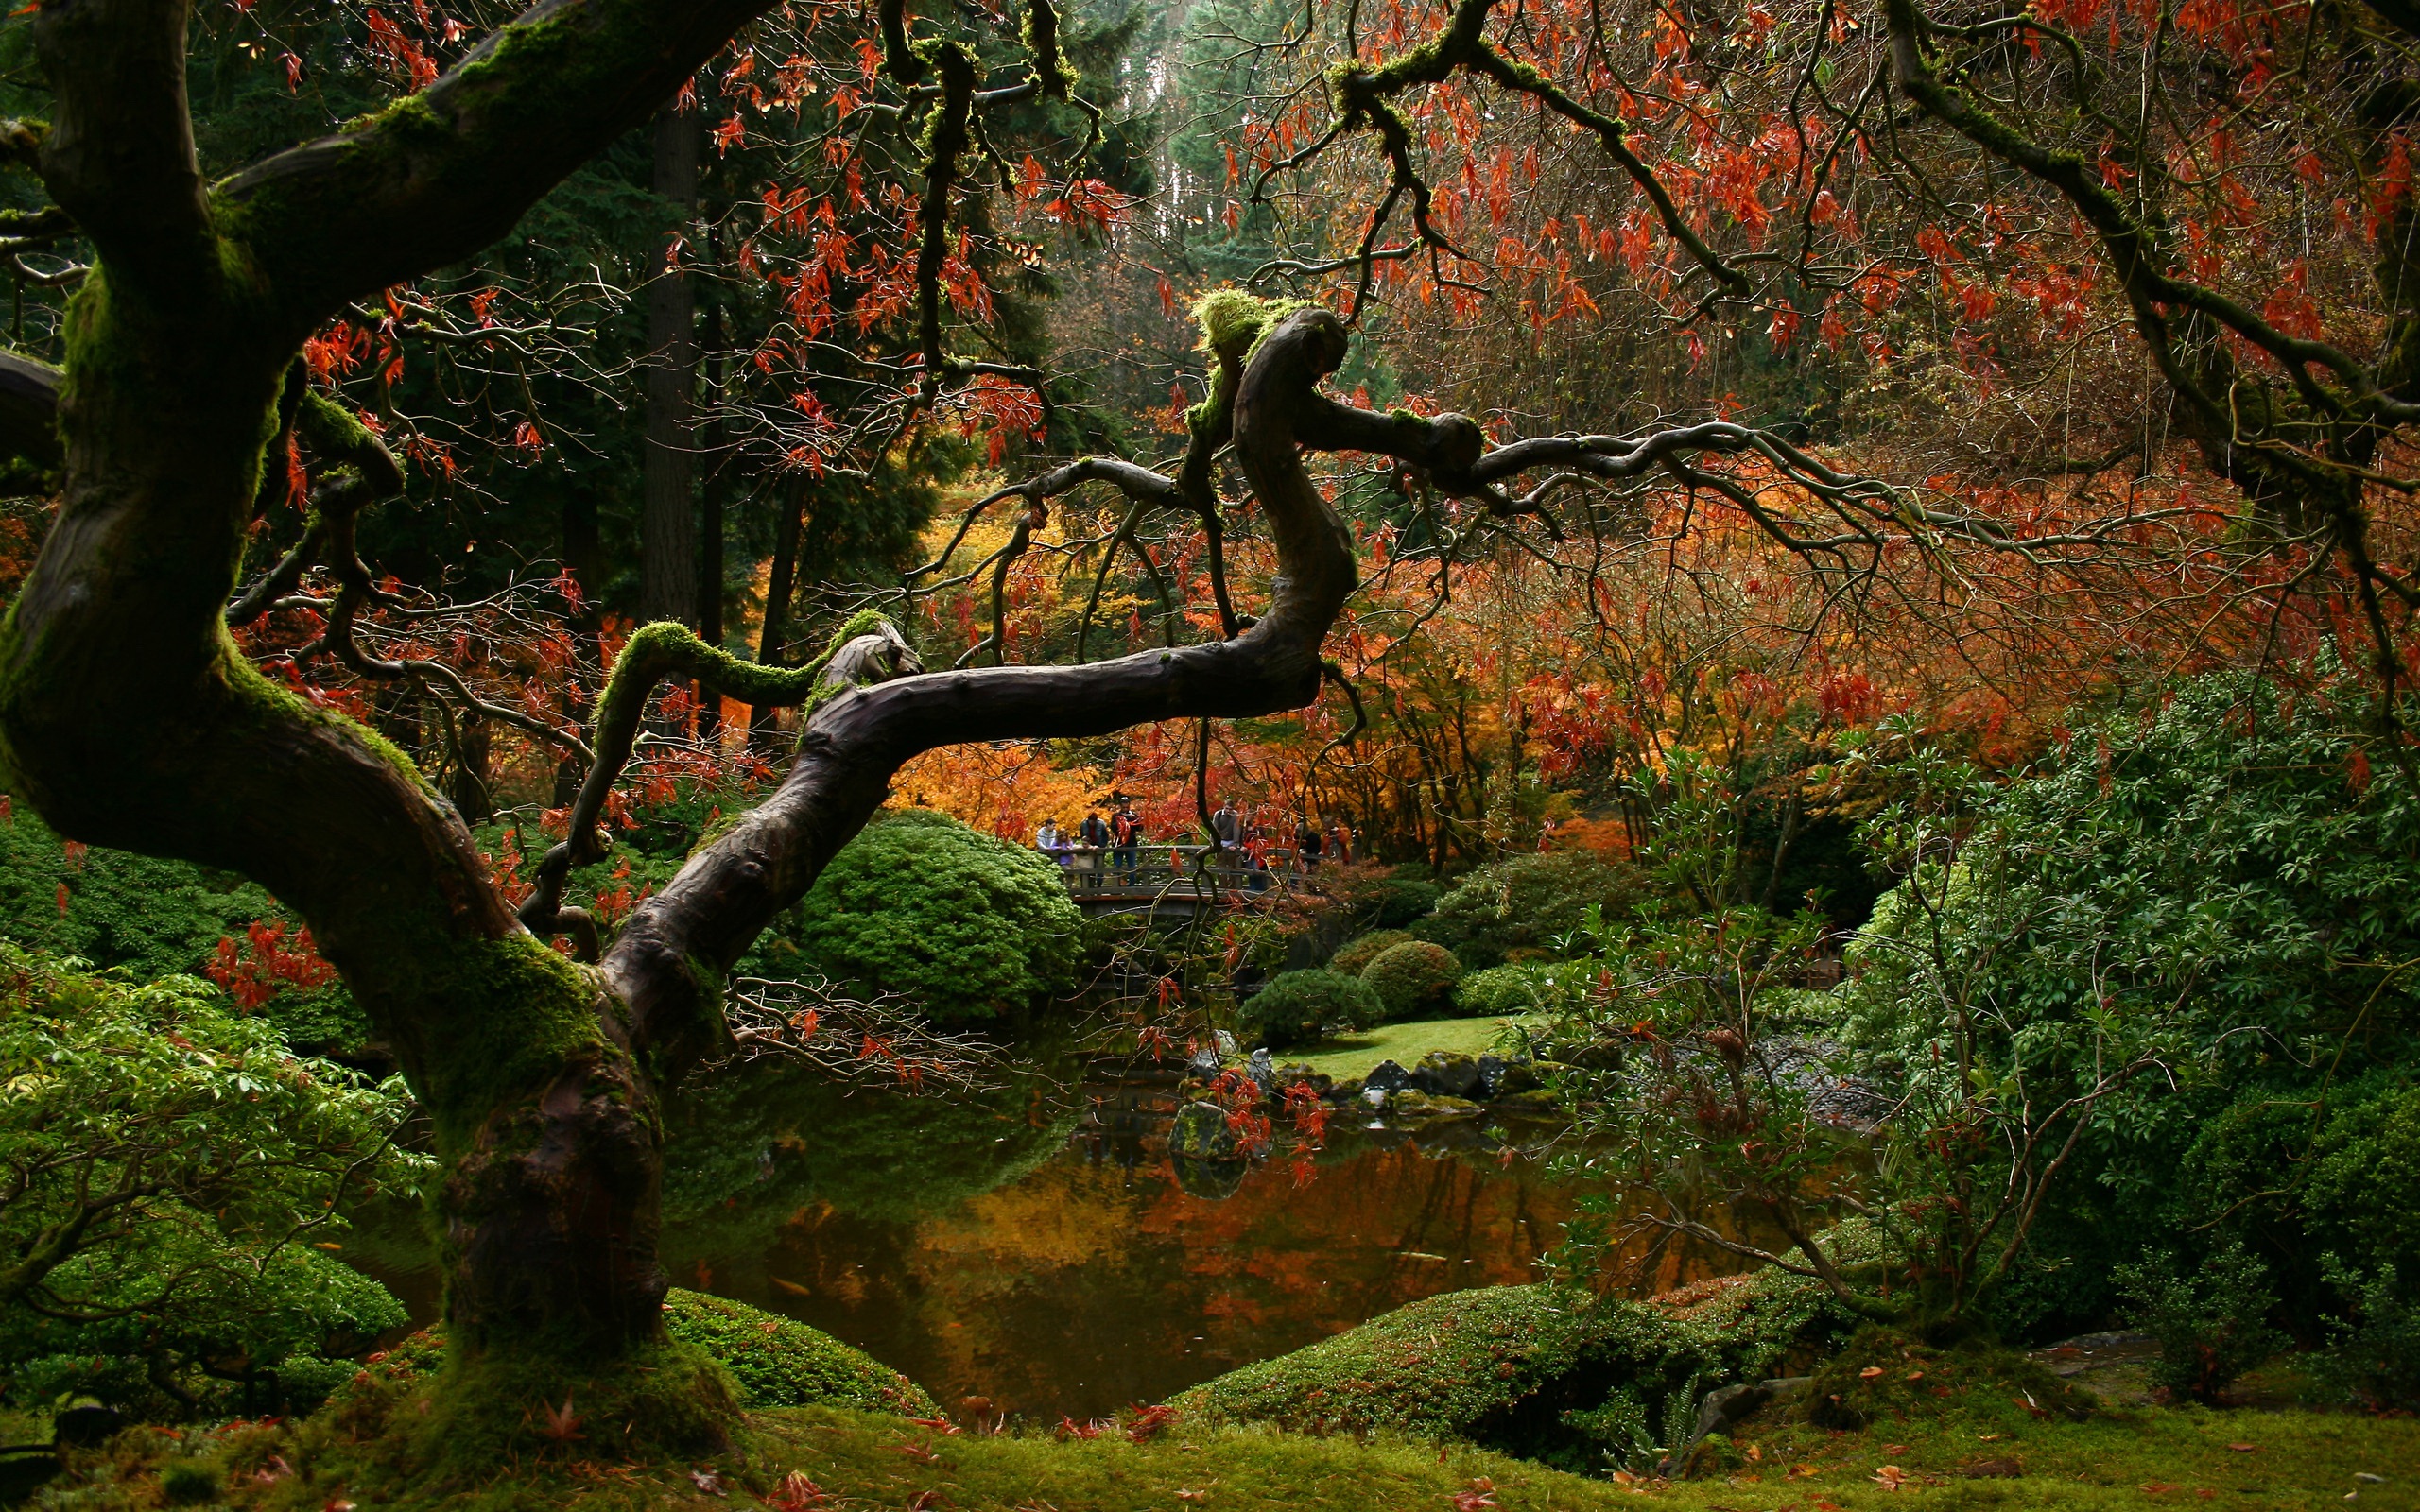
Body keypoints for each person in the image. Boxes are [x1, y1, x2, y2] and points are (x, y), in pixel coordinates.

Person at [1111, 802, 1143, 885]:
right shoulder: (1115, 816)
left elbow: (1140, 828)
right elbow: (1113, 828)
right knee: (1117, 865)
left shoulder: (1133, 815)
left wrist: (1133, 819)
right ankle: (1116, 885)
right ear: (1120, 806)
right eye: (1123, 806)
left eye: (1126, 806)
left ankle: (1131, 885)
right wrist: (1121, 821)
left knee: (1131, 865)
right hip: (1119, 844)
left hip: (1131, 844)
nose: (1125, 808)